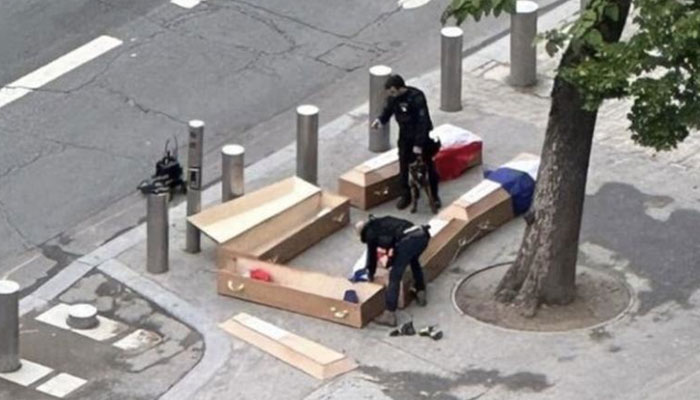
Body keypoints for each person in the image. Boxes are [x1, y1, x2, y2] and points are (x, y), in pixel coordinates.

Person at [371, 74, 441, 210]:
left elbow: (423, 122)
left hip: (420, 137)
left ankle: (434, 195)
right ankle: (405, 195)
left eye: (392, 91)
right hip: (405, 136)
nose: (391, 95)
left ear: (400, 88)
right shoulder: (393, 98)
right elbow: (387, 111)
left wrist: (419, 144)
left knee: (428, 166)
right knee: (403, 166)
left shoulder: (416, 97)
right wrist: (380, 121)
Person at [355, 215, 431, 327]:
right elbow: (394, 241)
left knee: (394, 276)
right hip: (422, 235)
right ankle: (421, 292)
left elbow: (372, 257)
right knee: (414, 261)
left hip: (408, 241)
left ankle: (389, 314)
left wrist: (370, 274)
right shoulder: (383, 221)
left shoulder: (370, 233)